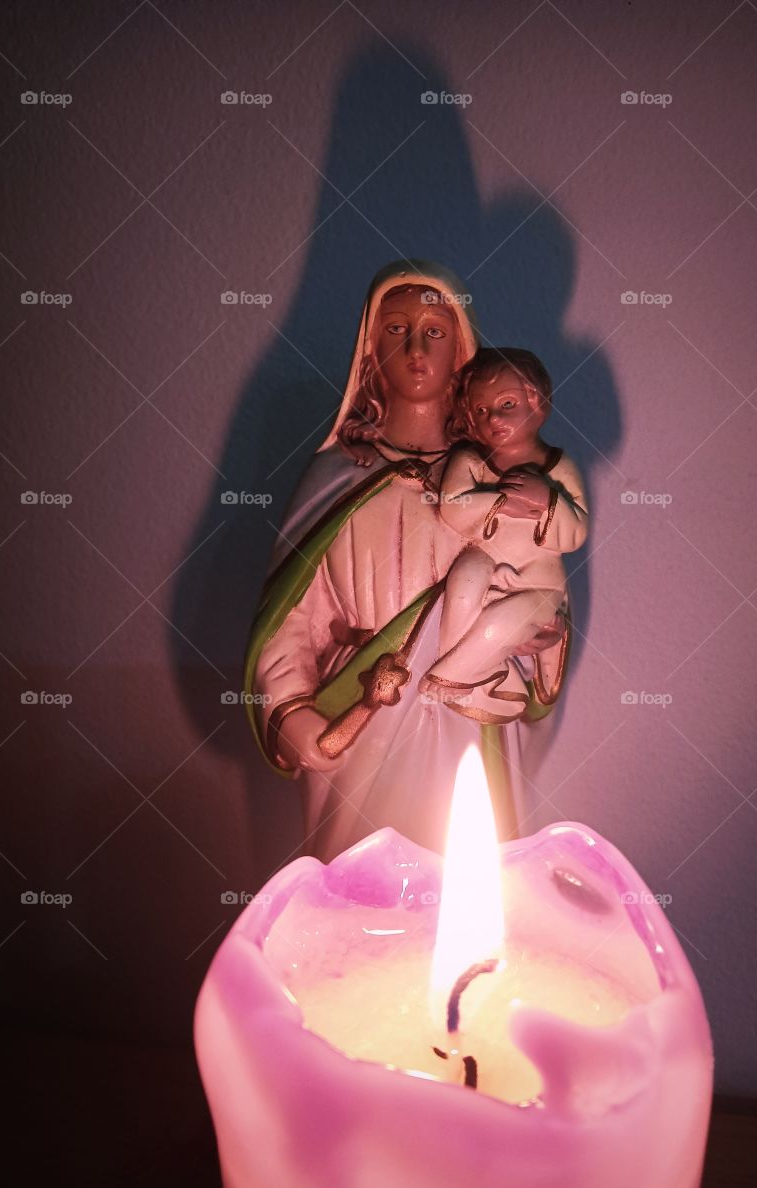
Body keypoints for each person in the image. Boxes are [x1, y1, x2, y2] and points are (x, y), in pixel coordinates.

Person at [244, 264, 571, 862]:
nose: (416, 349)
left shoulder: (497, 478)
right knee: (361, 890)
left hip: (471, 709)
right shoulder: (336, 475)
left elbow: (539, 579)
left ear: (461, 351)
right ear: (370, 350)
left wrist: (543, 639)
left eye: (434, 331)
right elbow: (290, 617)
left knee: (467, 873)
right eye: (396, 329)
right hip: (364, 703)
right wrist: (291, 711)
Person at [420, 348, 588, 722]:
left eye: (506, 403)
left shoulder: (559, 467)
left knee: (501, 622)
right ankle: (473, 667)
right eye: (481, 411)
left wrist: (546, 501)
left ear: (534, 400)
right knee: (464, 579)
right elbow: (451, 506)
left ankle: (453, 674)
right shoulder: (470, 461)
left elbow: (576, 532)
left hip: (537, 585)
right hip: (487, 563)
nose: (493, 417)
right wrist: (500, 502)